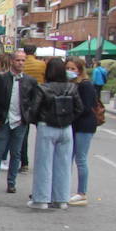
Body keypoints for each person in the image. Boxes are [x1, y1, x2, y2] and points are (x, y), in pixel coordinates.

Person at [23, 55, 85, 210]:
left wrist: (35, 121)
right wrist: (69, 119)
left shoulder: (43, 88)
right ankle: (61, 199)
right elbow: (79, 108)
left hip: (47, 127)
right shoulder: (72, 87)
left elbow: (34, 109)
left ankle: (42, 199)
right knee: (63, 165)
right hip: (66, 128)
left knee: (44, 164)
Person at [0, 49, 38, 195]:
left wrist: (28, 117)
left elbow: (33, 101)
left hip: (20, 122)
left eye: (23, 60)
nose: (21, 63)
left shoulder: (30, 81)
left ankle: (12, 183)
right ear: (12, 61)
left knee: (16, 153)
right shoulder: (2, 78)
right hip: (4, 120)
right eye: (18, 60)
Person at [68, 57, 99, 206]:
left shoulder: (85, 85)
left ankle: (82, 193)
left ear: (80, 70)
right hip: (75, 125)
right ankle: (64, 189)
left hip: (84, 125)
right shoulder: (74, 84)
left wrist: (71, 115)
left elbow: (86, 107)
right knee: (69, 157)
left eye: (73, 68)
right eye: (67, 68)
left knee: (80, 159)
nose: (70, 71)